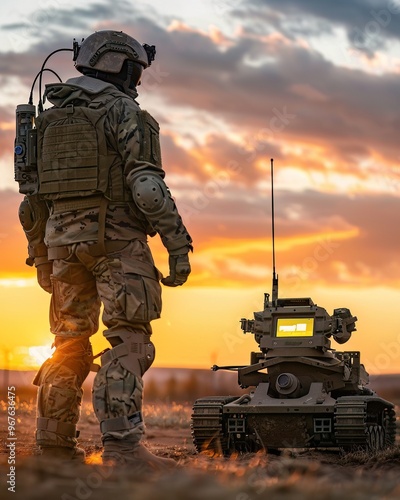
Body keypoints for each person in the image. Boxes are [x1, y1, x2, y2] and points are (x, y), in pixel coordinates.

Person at [17, 30, 192, 469]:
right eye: (136, 69)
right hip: (117, 246)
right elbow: (148, 188)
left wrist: (41, 257)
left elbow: (30, 204)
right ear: (121, 65)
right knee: (128, 341)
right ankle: (123, 450)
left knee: (68, 344)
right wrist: (176, 244)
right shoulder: (125, 112)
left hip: (61, 251)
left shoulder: (48, 122)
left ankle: (52, 451)